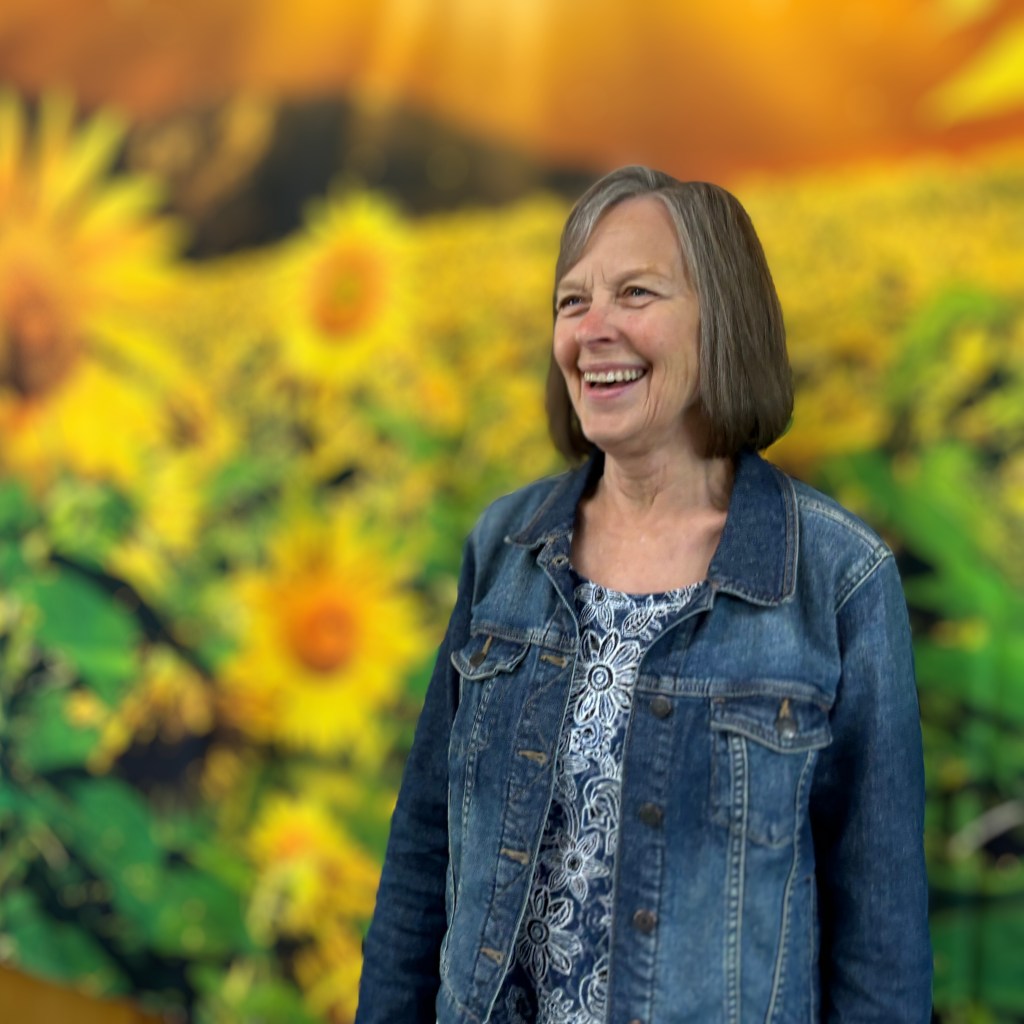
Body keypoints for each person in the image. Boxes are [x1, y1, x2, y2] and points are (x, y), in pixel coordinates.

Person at [355, 166, 931, 1023]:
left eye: (635, 292)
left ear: (723, 320)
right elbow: (423, 855)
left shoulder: (838, 582)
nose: (593, 331)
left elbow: (878, 942)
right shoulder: (505, 549)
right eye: (571, 301)